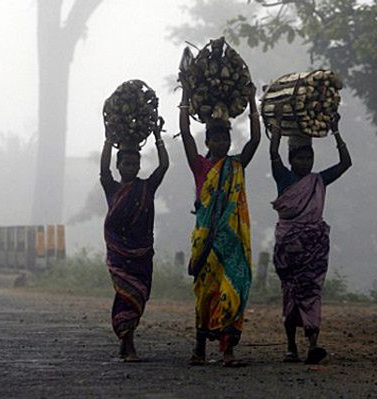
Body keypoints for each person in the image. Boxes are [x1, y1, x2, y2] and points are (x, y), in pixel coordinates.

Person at [179, 82, 260, 367]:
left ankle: (228, 351)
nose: (221, 143)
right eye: (215, 139)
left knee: (233, 288)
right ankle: (199, 348)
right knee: (205, 294)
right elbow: (186, 134)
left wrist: (252, 102)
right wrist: (185, 98)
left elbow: (255, 142)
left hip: (233, 242)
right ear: (208, 142)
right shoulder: (200, 166)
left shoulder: (236, 165)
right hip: (206, 242)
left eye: (225, 139)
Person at [268, 115, 351, 365]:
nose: (305, 162)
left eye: (309, 158)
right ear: (291, 160)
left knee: (312, 292)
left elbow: (346, 163)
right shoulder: (283, 177)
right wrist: (277, 132)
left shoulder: (319, 180)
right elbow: (273, 154)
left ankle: (313, 345)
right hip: (289, 247)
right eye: (300, 158)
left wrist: (336, 132)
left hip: (313, 247)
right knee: (291, 293)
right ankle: (291, 346)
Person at [100, 117, 169, 362]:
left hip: (142, 254)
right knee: (125, 294)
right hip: (120, 255)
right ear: (119, 166)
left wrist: (158, 137)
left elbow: (163, 167)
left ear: (139, 165)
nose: (130, 166)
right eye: (126, 163)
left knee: (140, 296)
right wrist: (109, 140)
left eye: (135, 162)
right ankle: (128, 343)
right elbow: (103, 169)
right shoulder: (112, 188)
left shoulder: (146, 187)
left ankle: (126, 339)